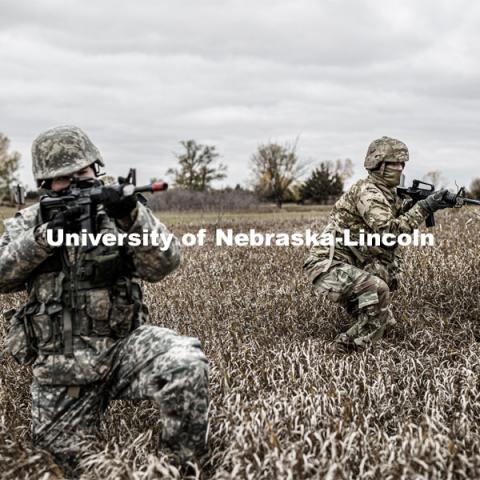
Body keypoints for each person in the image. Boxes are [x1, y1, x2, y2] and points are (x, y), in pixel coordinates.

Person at [1, 125, 209, 473]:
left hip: (122, 348)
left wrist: (130, 216)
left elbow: (165, 263)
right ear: (46, 185)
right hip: (61, 366)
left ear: (96, 168)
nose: (76, 183)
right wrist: (44, 238)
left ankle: (183, 465)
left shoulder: (119, 213)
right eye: (63, 179)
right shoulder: (30, 222)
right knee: (61, 465)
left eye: (82, 173)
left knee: (185, 360)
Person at [303, 136, 453, 351]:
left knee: (385, 322)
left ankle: (359, 338)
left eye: (402, 164)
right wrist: (424, 207)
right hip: (327, 267)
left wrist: (414, 206)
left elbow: (389, 225)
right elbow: (389, 232)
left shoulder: (387, 193)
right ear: (378, 164)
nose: (400, 168)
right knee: (379, 289)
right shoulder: (368, 193)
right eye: (394, 164)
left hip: (350, 264)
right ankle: (344, 349)